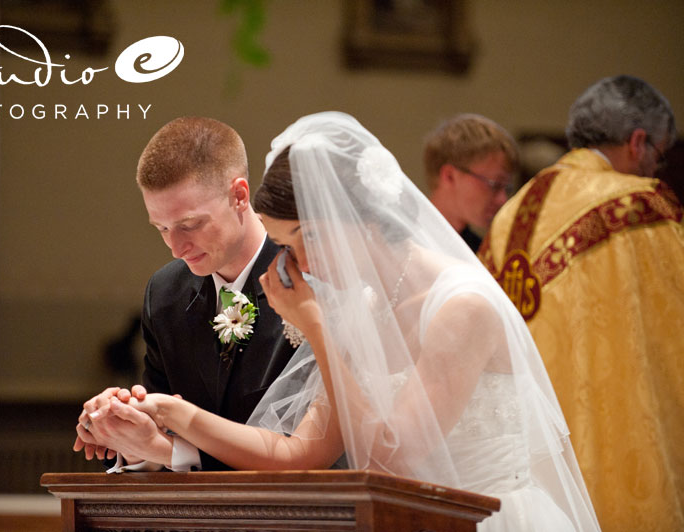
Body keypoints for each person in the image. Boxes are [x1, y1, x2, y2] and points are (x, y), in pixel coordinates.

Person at [93, 112, 600, 531]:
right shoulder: (366, 305)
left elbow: (393, 459)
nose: (292, 265)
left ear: (330, 224)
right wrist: (172, 415)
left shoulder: (461, 307)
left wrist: (316, 327)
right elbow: (302, 451)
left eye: (293, 244)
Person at [478, 75, 684, 531]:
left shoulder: (508, 215)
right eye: (660, 155)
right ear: (638, 142)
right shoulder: (639, 206)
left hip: (520, 473)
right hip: (615, 448)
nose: (656, 170)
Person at [73, 116, 296, 471]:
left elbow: (301, 450)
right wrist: (126, 431)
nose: (176, 248)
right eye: (161, 228)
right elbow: (162, 440)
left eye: (189, 225)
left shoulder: (303, 278)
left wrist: (168, 448)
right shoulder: (164, 294)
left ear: (239, 196)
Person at [425, 114, 519, 251]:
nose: (502, 200)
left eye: (506, 188)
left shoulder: (482, 255)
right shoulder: (400, 240)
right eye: (494, 185)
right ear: (450, 176)